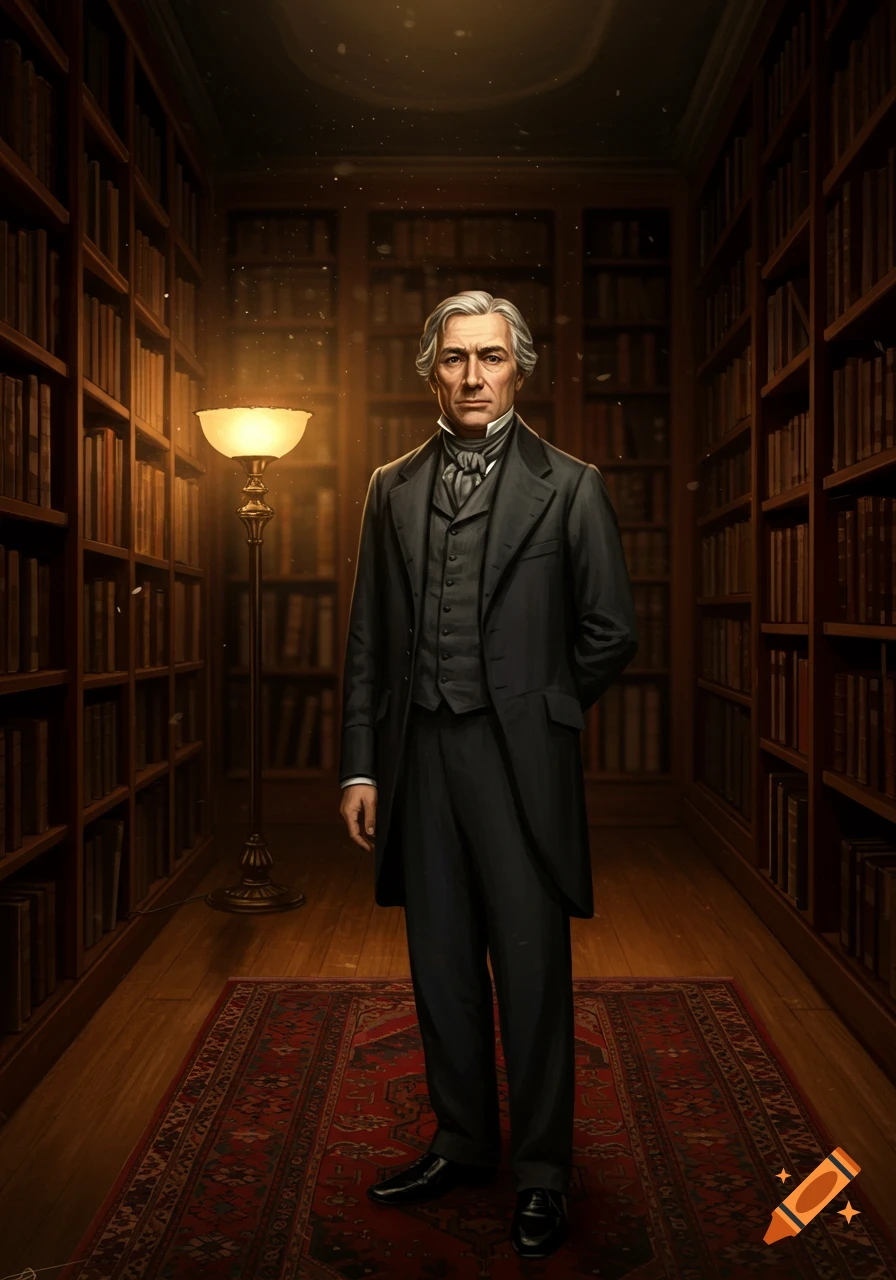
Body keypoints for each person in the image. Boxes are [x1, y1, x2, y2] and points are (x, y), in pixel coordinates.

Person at [338, 290, 638, 1259]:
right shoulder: (387, 486)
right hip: (417, 753)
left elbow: (607, 630)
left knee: (531, 968)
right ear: (430, 368)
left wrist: (542, 710)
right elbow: (369, 643)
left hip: (518, 762)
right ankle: (462, 1143)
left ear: (520, 368)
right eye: (456, 358)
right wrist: (358, 766)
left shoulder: (571, 484)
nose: (473, 377)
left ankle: (542, 1169)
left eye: (492, 358)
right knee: (440, 965)